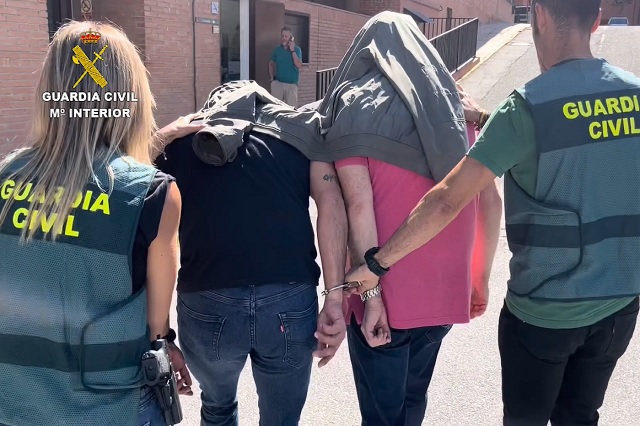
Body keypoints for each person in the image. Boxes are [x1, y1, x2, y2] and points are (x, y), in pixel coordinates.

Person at [346, 1, 640, 425]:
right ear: (596, 22)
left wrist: (377, 263)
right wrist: (486, 118)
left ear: (539, 15)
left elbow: (448, 200)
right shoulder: (634, 94)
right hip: (618, 305)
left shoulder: (527, 109)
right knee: (580, 415)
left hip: (545, 314)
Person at [0, 21, 195, 426]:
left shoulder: (6, 177)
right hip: (112, 406)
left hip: (13, 400)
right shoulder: (154, 195)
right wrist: (168, 345)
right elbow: (156, 327)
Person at [154, 117, 348, 424]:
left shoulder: (180, 143)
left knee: (217, 408)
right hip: (289, 300)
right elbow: (331, 201)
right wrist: (335, 297)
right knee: (282, 419)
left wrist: (165, 133)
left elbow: (126, 169)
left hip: (207, 301)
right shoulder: (298, 136)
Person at [335, 87, 501, 425]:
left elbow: (356, 207)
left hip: (380, 297)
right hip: (442, 295)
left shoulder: (358, 109)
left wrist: (355, 294)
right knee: (413, 397)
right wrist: (480, 280)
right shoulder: (459, 114)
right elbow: (490, 203)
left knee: (382, 414)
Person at [268, 26, 302, 106]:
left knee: (291, 109)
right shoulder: (277, 49)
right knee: (275, 108)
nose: (284, 38)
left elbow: (298, 65)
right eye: (282, 36)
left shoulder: (297, 49)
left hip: (291, 85)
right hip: (278, 83)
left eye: (286, 36)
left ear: (291, 38)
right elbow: (270, 63)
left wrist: (292, 51)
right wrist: (272, 79)